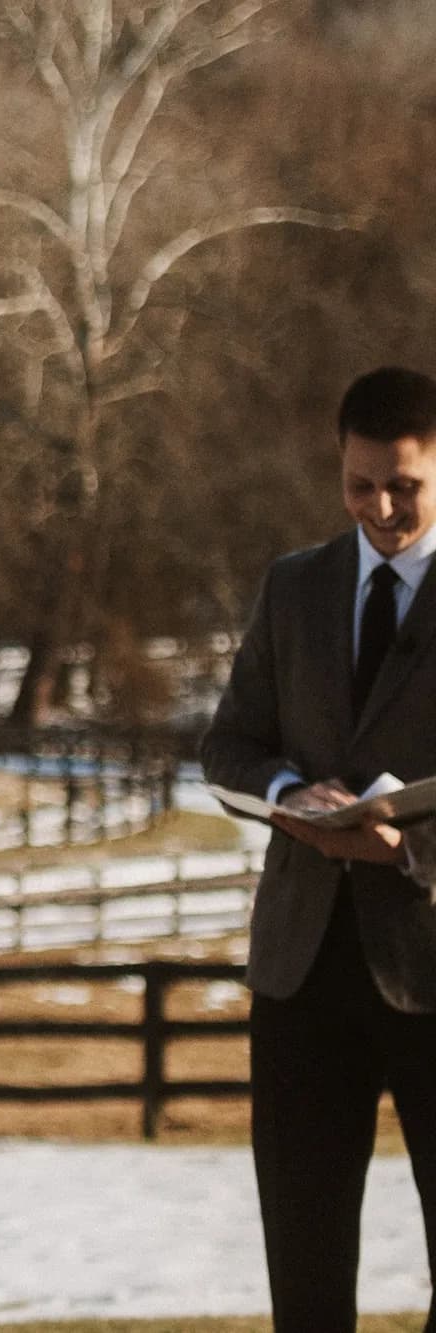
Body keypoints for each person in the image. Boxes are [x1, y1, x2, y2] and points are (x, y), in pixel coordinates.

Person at [202, 365, 436, 1332]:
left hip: (432, 965)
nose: (380, 506)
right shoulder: (294, 586)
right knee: (303, 1277)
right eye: (360, 484)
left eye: (407, 485)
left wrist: (412, 856)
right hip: (300, 972)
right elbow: (230, 743)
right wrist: (292, 794)